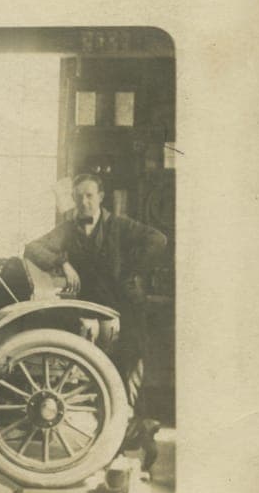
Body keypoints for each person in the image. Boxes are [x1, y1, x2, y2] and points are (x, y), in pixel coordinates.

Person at [22, 173, 168, 430]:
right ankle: (108, 436)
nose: (84, 202)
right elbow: (32, 248)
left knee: (128, 374)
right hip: (91, 310)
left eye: (89, 196)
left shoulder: (121, 226)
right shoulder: (68, 230)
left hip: (126, 309)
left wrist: (131, 269)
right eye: (79, 197)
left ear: (100, 197)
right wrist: (62, 262)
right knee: (100, 376)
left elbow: (158, 240)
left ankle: (133, 433)